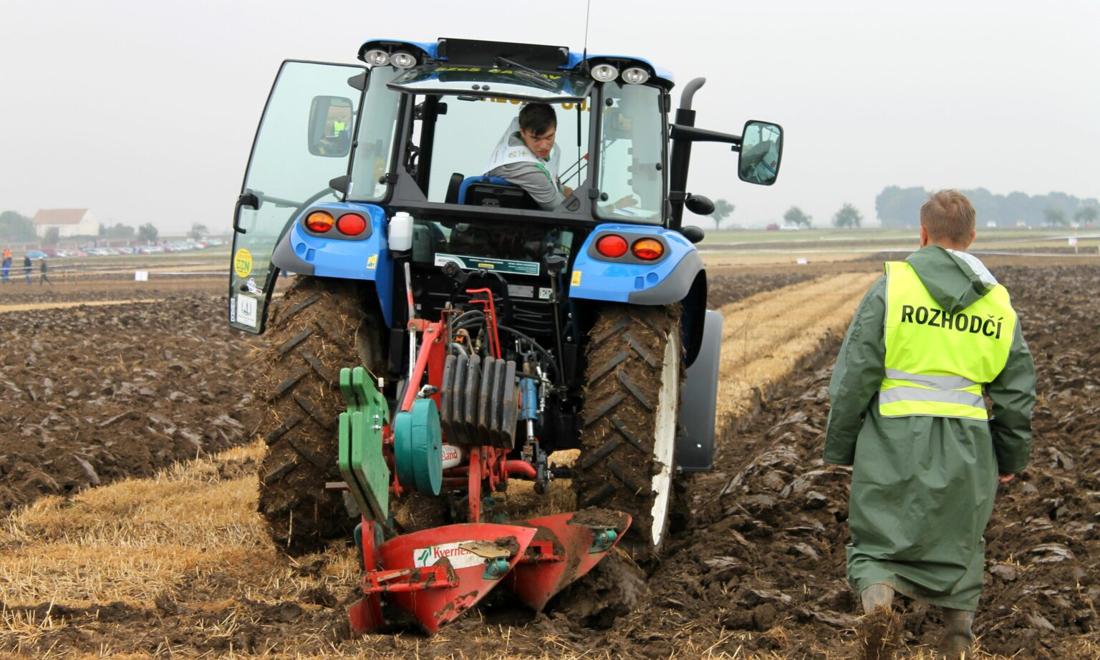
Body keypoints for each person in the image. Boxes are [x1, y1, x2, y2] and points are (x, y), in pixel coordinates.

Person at [822, 190, 1036, 659]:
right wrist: (1011, 456)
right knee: (960, 543)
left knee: (876, 542)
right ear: (972, 237)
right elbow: (1017, 391)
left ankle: (879, 605)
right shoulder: (997, 302)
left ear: (922, 234)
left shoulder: (893, 288)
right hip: (968, 445)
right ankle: (956, 639)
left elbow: (856, 373)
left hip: (890, 438)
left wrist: (840, 446)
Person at [485, 102, 572, 210]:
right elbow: (564, 212)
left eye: (549, 137)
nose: (544, 146)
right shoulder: (527, 168)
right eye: (536, 138)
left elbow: (548, 179)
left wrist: (563, 190)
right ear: (522, 132)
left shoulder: (519, 142)